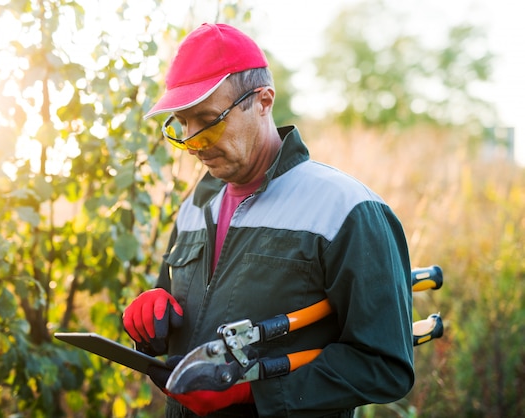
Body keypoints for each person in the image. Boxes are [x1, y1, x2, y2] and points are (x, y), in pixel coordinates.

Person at [122, 23, 414, 418]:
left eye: (208, 120)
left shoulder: (345, 209)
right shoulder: (196, 204)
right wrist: (153, 320)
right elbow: (178, 311)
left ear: (262, 101)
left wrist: (251, 395)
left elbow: (385, 366)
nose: (192, 144)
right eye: (182, 124)